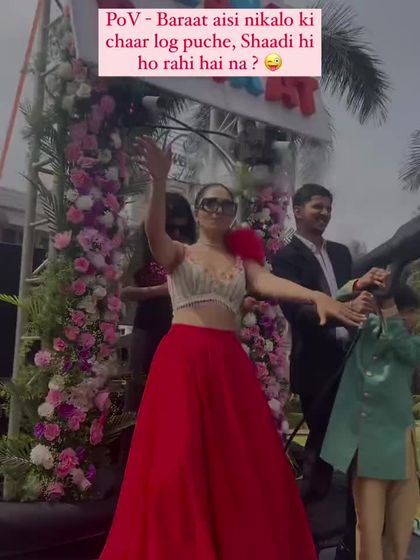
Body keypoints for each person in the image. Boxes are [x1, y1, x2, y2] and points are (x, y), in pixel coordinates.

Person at [99, 140, 364, 560]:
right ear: (197, 210)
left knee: (238, 460)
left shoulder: (244, 263)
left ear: (232, 214)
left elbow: (271, 283)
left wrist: (316, 295)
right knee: (177, 457)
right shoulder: (179, 253)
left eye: (226, 205)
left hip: (227, 364)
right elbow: (154, 234)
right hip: (182, 361)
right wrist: (160, 181)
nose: (218, 210)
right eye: (210, 203)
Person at [271, 183, 387, 557]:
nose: (324, 213)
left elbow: (351, 296)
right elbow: (298, 312)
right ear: (297, 210)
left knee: (350, 454)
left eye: (328, 208)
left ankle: (347, 540)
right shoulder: (284, 259)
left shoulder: (340, 253)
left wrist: (364, 297)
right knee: (327, 450)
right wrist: (342, 314)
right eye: (317, 207)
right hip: (316, 368)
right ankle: (305, 534)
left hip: (352, 363)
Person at [321, 282, 420, 560]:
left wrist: (389, 310)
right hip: (369, 446)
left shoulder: (411, 343)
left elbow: (403, 347)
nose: (413, 320)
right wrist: (358, 285)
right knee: (369, 531)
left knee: (400, 532)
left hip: (401, 447)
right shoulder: (366, 332)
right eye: (410, 312)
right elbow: (332, 304)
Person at [121, 193, 196, 412]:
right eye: (170, 228)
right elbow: (123, 290)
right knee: (143, 390)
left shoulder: (193, 248)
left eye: (182, 228)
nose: (177, 234)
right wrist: (158, 291)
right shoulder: (141, 246)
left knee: (181, 393)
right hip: (149, 326)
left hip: (186, 327)